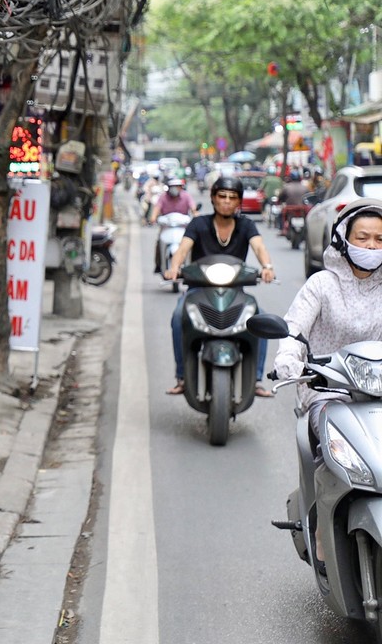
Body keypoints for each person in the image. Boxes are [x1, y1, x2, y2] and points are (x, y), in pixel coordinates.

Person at [271, 198, 382, 571]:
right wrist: (289, 359)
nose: (370, 246)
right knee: (333, 452)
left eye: (379, 239)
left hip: (377, 391)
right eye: (362, 237)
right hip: (327, 388)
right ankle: (322, 523)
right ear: (342, 239)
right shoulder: (322, 284)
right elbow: (293, 328)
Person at [163, 176, 276, 396]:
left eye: (232, 197)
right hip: (199, 290)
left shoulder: (246, 225)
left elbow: (259, 246)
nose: (226, 201)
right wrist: (174, 267)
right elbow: (183, 249)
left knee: (260, 319)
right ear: (213, 198)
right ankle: (182, 377)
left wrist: (267, 266)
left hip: (235, 292)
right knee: (178, 317)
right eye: (222, 196)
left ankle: (256, 380)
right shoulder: (198, 224)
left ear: (238, 202)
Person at [149, 178, 196, 274]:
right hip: (167, 227)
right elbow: (157, 208)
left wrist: (196, 215)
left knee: (192, 243)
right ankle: (159, 264)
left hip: (182, 227)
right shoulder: (163, 197)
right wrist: (153, 217)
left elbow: (193, 209)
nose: (175, 189)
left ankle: (193, 265)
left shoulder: (186, 196)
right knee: (159, 243)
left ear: (181, 187)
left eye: (177, 186)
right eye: (173, 187)